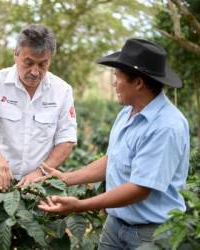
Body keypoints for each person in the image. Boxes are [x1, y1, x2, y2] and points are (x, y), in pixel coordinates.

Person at [38, 38, 190, 249]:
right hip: (115, 227)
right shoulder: (127, 113)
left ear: (138, 83)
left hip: (151, 234)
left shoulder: (167, 126)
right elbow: (112, 161)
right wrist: (66, 179)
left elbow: (139, 189)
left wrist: (79, 206)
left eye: (118, 76)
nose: (113, 82)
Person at [0, 24, 77, 192]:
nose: (35, 71)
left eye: (42, 65)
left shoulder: (62, 90)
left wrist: (40, 171)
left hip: (39, 185)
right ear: (16, 55)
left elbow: (66, 139)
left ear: (50, 60)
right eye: (28, 62)